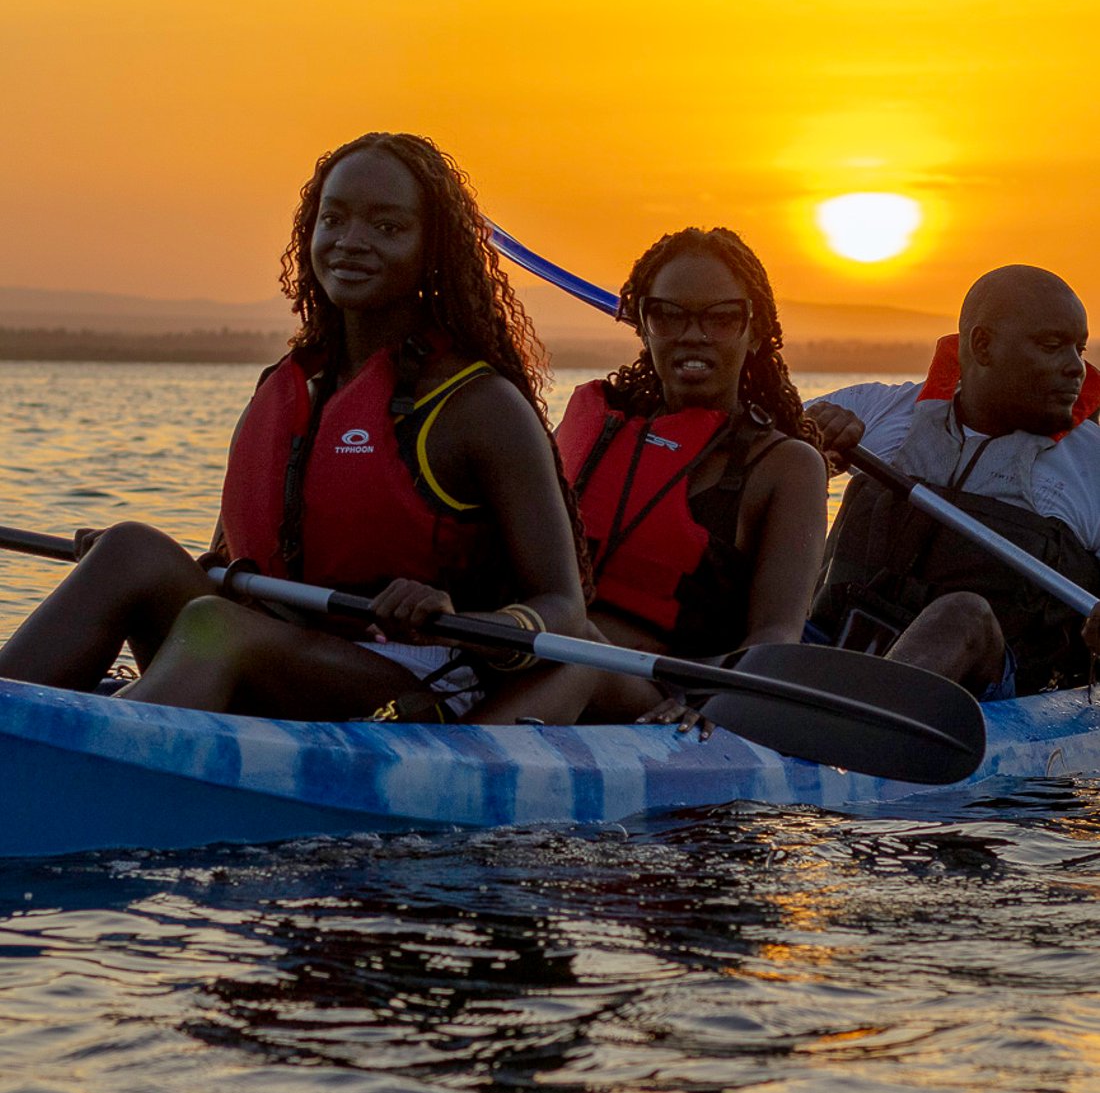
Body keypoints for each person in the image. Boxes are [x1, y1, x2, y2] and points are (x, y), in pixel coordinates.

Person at [0, 132, 587, 721]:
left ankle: (100, 768)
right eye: (333, 219)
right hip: (265, 646)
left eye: (387, 227)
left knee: (215, 625)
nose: (350, 243)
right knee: (131, 550)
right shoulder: (285, 386)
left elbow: (565, 606)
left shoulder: (481, 405)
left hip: (411, 679)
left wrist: (460, 617)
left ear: (433, 250)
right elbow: (226, 561)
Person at [478, 226, 828, 732]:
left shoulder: (787, 466)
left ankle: (456, 768)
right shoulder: (596, 428)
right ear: (643, 325)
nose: (694, 335)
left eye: (722, 318)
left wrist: (720, 698)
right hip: (536, 651)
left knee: (582, 658)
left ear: (755, 331)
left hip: (666, 694)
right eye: (668, 315)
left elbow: (776, 632)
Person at [809, 263, 1100, 697]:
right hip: (834, 645)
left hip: (998, 687)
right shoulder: (878, 412)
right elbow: (755, 441)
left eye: (1078, 348)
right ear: (982, 346)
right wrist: (806, 435)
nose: (1076, 368)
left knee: (963, 616)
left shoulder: (1091, 464)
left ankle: (866, 726)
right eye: (1052, 346)